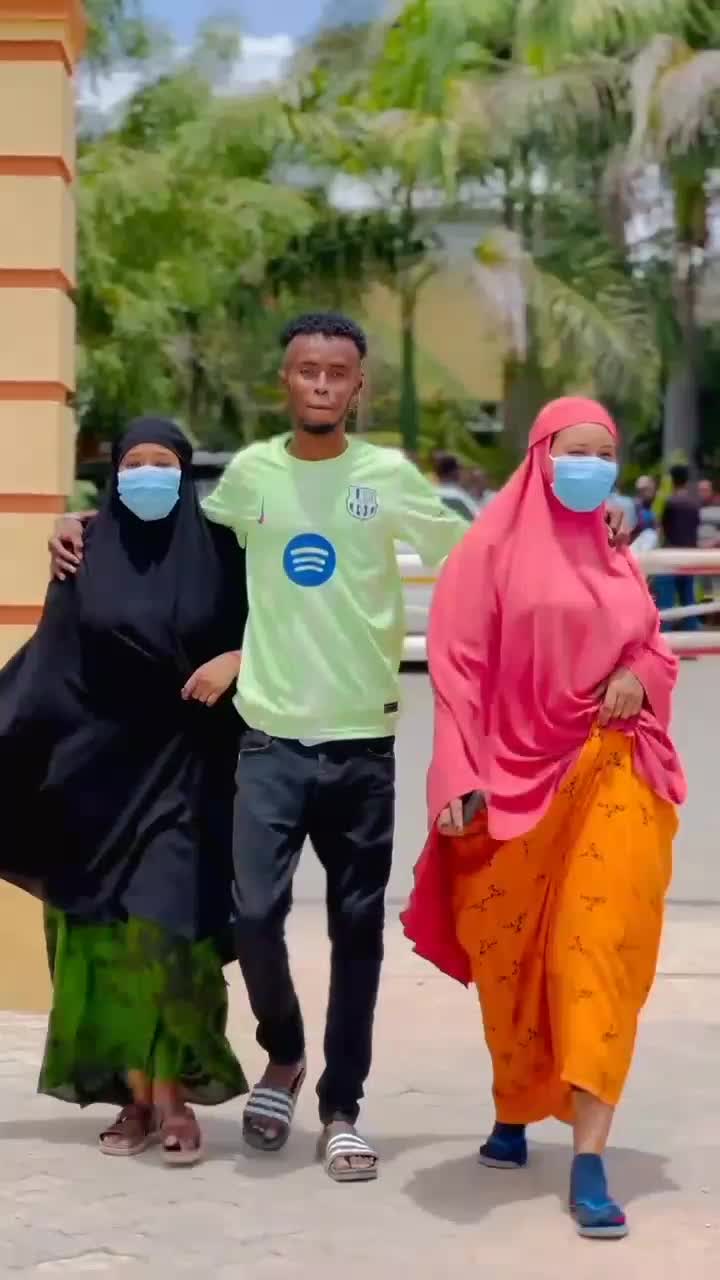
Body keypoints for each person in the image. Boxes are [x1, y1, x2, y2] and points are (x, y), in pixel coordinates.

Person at [49, 316, 632, 1183]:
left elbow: (487, 548)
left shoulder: (386, 477)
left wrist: (591, 514)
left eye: (337, 373)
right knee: (254, 916)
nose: (321, 384)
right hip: (270, 741)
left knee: (358, 934)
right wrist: (83, 521)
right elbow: (180, 538)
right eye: (306, 371)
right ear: (285, 382)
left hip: (364, 745)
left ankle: (342, 1108)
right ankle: (284, 1052)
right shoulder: (253, 475)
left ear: (359, 387)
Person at [401, 397, 686, 1240]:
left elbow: (654, 645)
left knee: (594, 950)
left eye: (604, 452)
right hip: (512, 779)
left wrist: (638, 674)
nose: (591, 466)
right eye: (575, 450)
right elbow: (456, 671)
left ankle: (590, 1159)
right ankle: (515, 1104)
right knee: (512, 956)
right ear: (539, 456)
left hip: (614, 766)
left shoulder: (617, 554)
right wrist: (455, 774)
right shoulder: (486, 554)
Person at [2, 419, 248, 1164]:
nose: (148, 475)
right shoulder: (82, 551)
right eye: (134, 464)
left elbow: (276, 626)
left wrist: (239, 658)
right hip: (95, 778)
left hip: (188, 772)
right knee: (106, 944)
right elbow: (53, 660)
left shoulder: (224, 550)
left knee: (168, 936)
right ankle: (136, 1099)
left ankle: (174, 1098)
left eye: (162, 462)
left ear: (186, 472)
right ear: (113, 475)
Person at [655, 464, 701, 631]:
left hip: (671, 554)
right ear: (687, 481)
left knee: (667, 600)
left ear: (672, 480)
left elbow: (663, 528)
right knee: (688, 598)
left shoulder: (670, 502)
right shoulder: (694, 503)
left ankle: (665, 636)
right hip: (690, 554)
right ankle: (692, 635)